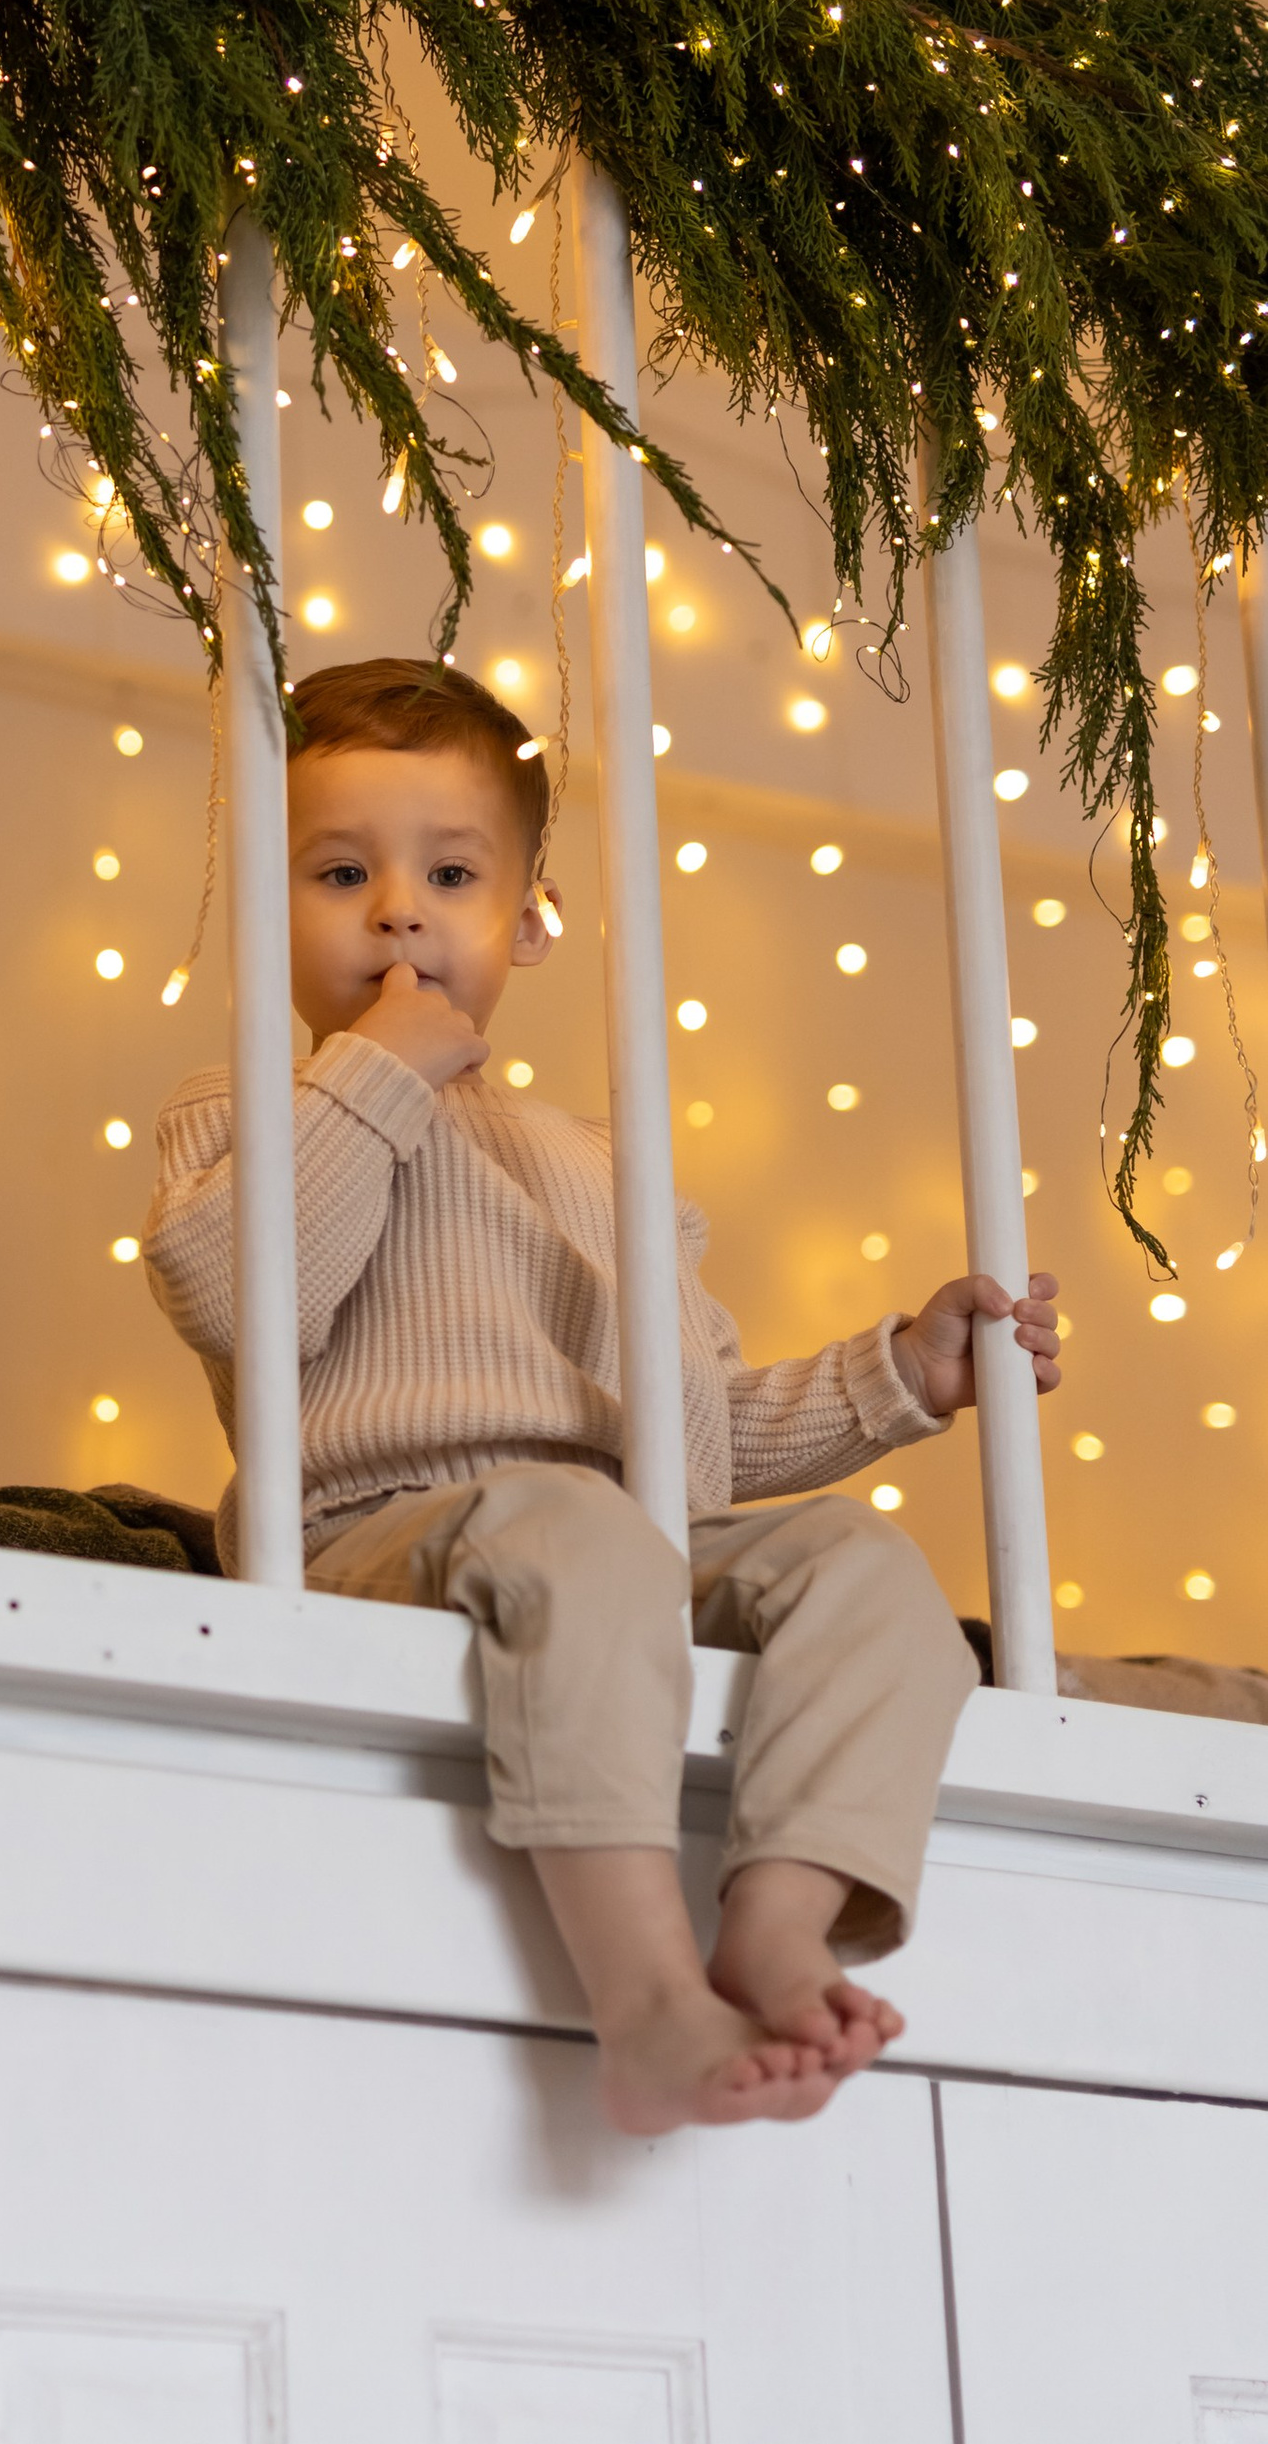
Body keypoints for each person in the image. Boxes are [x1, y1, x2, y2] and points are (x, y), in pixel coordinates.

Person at [143, 657, 1061, 2136]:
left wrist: (901, 1375)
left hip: (619, 1529)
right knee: (575, 1526)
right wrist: (376, 1074)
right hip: (384, 1527)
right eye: (338, 873)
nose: (399, 911)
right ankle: (643, 1998)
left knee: (872, 1570)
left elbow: (693, 1434)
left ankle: (781, 1914)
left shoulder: (599, 1153)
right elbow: (242, 1294)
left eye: (450, 872)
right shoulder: (253, 1104)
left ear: (528, 917)